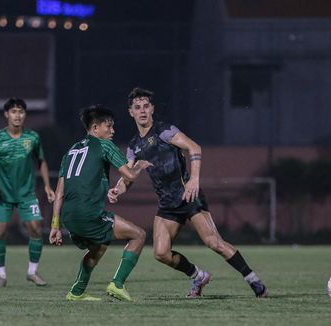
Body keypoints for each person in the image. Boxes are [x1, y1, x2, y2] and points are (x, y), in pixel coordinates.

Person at [108, 87, 267, 298]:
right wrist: (117, 190)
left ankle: (254, 281)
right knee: (161, 253)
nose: (142, 110)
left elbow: (194, 148)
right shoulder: (134, 146)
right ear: (131, 112)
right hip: (167, 203)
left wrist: (194, 179)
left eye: (146, 106)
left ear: (152, 109)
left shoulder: (164, 131)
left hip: (189, 196)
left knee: (214, 243)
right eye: (137, 107)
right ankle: (198, 276)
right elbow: (128, 176)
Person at [49, 105, 152, 302]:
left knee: (99, 247)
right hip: (88, 213)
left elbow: (59, 192)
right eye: (109, 126)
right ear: (95, 128)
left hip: (68, 217)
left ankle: (77, 292)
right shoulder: (104, 145)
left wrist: (55, 225)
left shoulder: (71, 151)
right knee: (138, 235)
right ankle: (117, 284)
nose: (112, 131)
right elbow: (129, 175)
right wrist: (139, 165)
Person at [0, 97, 55, 288]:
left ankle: (32, 272)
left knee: (36, 229)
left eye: (21, 111)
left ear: (25, 115)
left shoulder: (32, 138)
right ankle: (1, 276)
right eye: (13, 111)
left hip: (26, 194)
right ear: (7, 114)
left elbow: (42, 161)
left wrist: (47, 185)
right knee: (0, 231)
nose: (17, 115)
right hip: (3, 195)